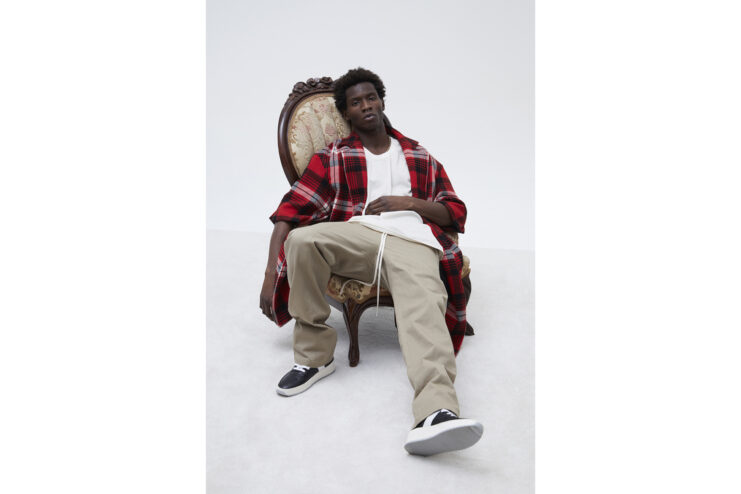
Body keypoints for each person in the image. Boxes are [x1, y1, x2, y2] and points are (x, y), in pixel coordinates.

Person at [259, 68, 483, 456]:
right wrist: (268, 276)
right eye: (356, 102)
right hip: (357, 236)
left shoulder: (417, 154)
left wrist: (409, 203)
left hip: (411, 238)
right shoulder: (334, 156)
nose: (366, 106)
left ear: (381, 101)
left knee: (424, 306)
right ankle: (314, 358)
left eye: (371, 98)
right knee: (302, 239)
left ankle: (436, 413)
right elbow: (289, 212)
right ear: (347, 112)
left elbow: (455, 211)